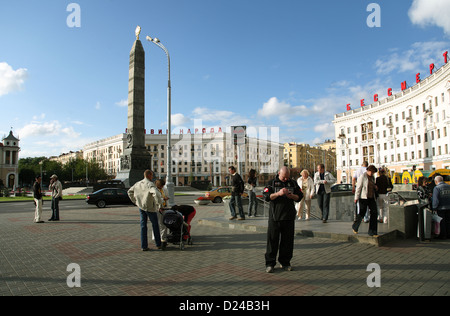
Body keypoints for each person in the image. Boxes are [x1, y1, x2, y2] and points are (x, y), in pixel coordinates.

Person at [263, 166, 303, 273]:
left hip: (289, 217)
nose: (285, 180)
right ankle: (270, 263)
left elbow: (300, 196)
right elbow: (266, 197)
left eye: (287, 177)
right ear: (279, 174)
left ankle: (285, 262)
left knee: (287, 241)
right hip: (275, 217)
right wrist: (278, 194)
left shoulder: (293, 183)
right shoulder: (272, 183)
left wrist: (292, 196)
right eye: (284, 177)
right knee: (272, 241)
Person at [128, 170, 164, 251]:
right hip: (150, 207)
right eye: (152, 175)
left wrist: (135, 201)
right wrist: (159, 204)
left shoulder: (137, 184)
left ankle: (144, 246)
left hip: (141, 207)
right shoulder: (150, 184)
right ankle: (158, 244)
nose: (152, 177)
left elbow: (129, 191)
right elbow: (156, 193)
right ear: (149, 175)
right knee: (155, 225)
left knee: (143, 226)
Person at [353, 165, 379, 236]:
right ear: (368, 170)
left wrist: (375, 187)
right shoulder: (362, 177)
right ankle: (355, 226)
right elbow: (358, 188)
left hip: (371, 197)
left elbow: (372, 185)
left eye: (373, 172)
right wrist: (356, 198)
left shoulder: (373, 178)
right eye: (371, 171)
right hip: (363, 198)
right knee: (362, 213)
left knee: (374, 213)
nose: (371, 173)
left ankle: (373, 231)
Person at [155, 179, 169, 249]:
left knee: (163, 224)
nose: (163, 187)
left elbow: (165, 195)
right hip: (158, 209)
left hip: (164, 208)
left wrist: (165, 199)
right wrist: (164, 199)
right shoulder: (155, 190)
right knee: (160, 224)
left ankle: (163, 238)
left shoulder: (163, 189)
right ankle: (161, 239)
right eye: (161, 185)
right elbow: (156, 199)